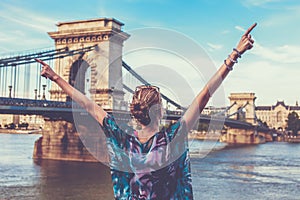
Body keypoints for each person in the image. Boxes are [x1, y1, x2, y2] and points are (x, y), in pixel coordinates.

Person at [35, 23, 256, 200]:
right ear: (160, 111)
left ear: (134, 112)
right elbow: (204, 96)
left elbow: (88, 105)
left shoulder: (121, 138)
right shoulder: (172, 137)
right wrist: (235, 54)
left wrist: (55, 77)